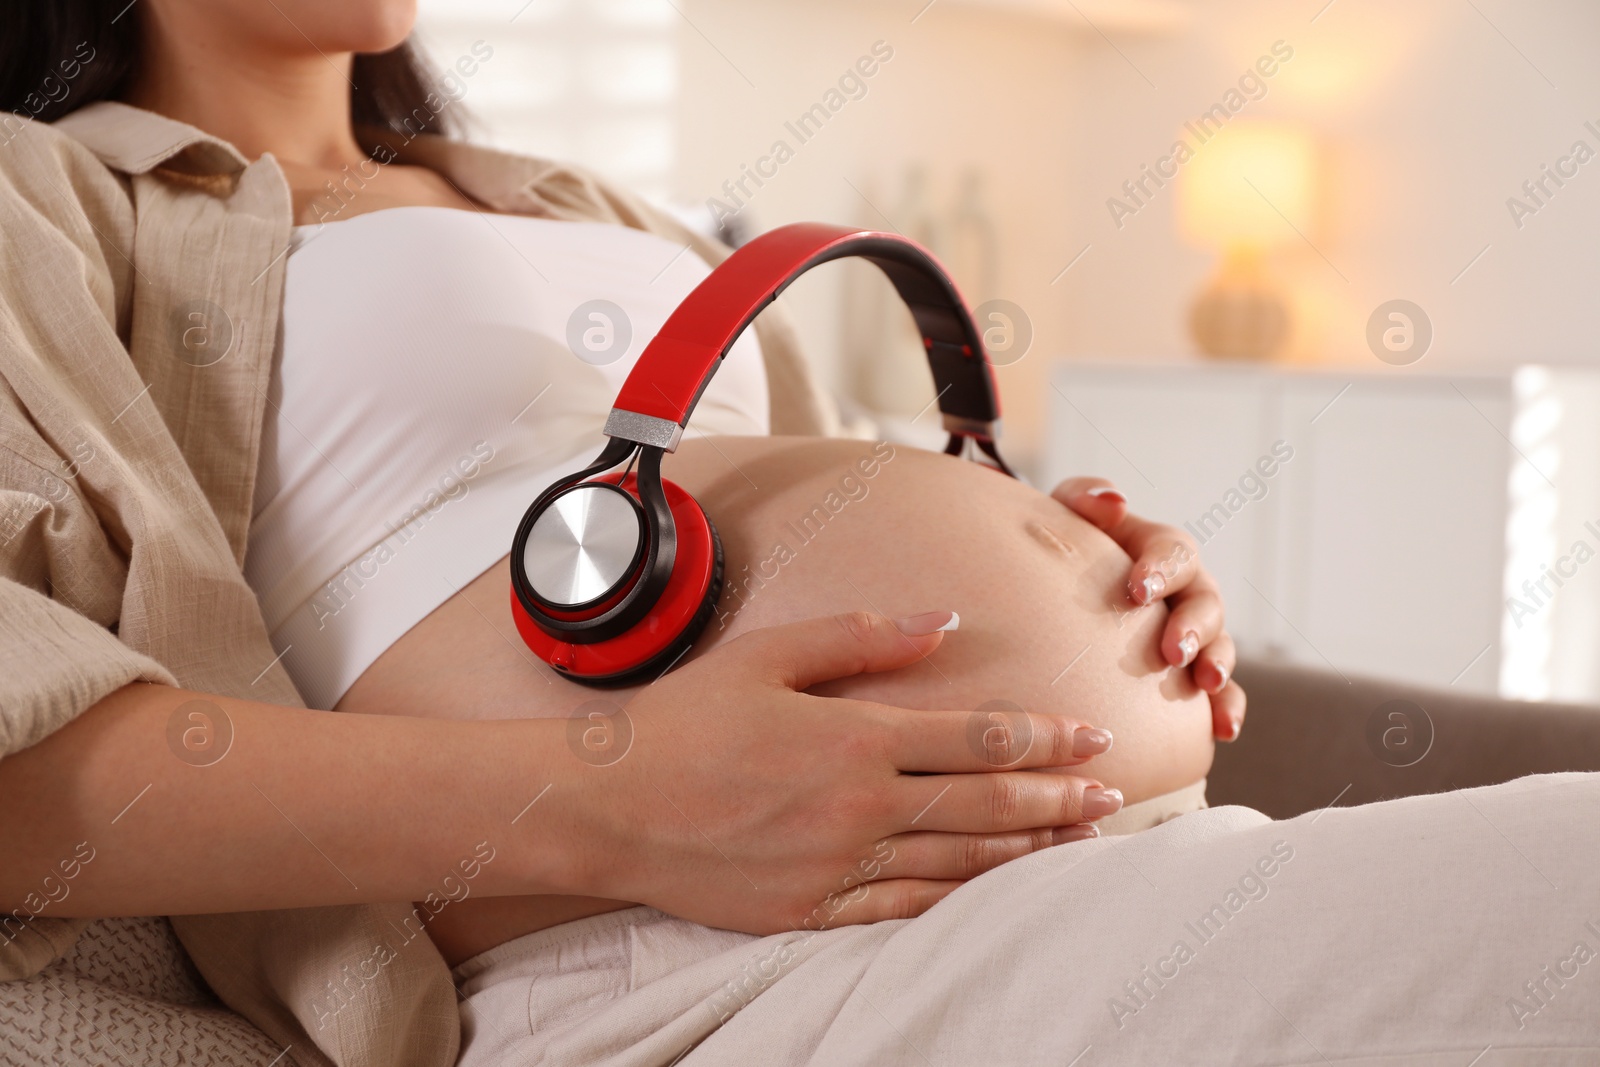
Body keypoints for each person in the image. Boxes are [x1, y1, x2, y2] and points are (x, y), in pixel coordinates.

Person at [0, 1, 1240, 1062]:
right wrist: (615, 792)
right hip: (679, 957)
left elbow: (820, 482)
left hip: (1071, 848)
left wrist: (1079, 560)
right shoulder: (41, 194)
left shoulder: (608, 213)